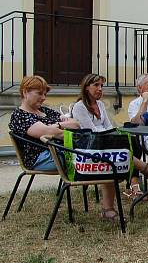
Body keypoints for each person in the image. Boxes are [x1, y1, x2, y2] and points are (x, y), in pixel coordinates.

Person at [8, 75, 124, 220]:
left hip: (64, 150)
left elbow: (75, 124)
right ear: (25, 92)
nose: (43, 98)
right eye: (39, 93)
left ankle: (113, 200)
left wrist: (55, 128)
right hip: (44, 157)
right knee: (104, 156)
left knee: (107, 152)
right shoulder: (20, 116)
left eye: (45, 94)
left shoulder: (45, 111)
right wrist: (58, 128)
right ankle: (115, 198)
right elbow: (50, 133)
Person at [73, 73, 148, 199]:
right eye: (96, 85)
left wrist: (115, 135)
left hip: (104, 139)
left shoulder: (100, 105)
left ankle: (136, 183)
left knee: (132, 140)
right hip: (91, 146)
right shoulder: (79, 107)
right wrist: (112, 136)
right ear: (86, 87)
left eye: (101, 86)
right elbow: (90, 131)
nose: (100, 89)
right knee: (125, 145)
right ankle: (145, 170)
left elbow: (108, 126)